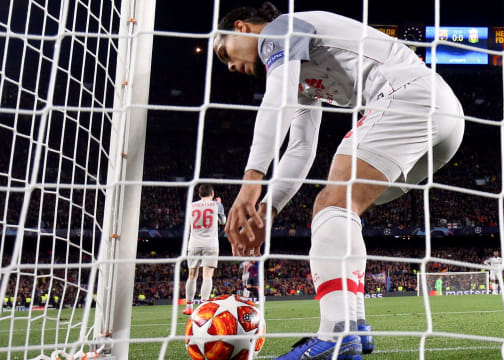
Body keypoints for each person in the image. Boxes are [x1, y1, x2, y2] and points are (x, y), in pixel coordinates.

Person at [215, 3, 465, 359]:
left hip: (409, 97)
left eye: (226, 52)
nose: (231, 66)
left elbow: (277, 100)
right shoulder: (297, 67)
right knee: (342, 208)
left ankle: (335, 336)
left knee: (332, 203)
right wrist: (268, 211)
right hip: (441, 118)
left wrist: (251, 182)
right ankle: (355, 326)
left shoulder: (279, 30)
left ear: (242, 26)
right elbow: (301, 148)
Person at [183, 184, 226, 315]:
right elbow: (223, 221)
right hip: (211, 244)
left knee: (192, 275)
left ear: (199, 194)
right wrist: (219, 205)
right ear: (212, 193)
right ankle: (203, 307)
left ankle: (189, 307)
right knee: (207, 275)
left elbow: (188, 223)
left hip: (194, 243)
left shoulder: (192, 205)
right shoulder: (216, 205)